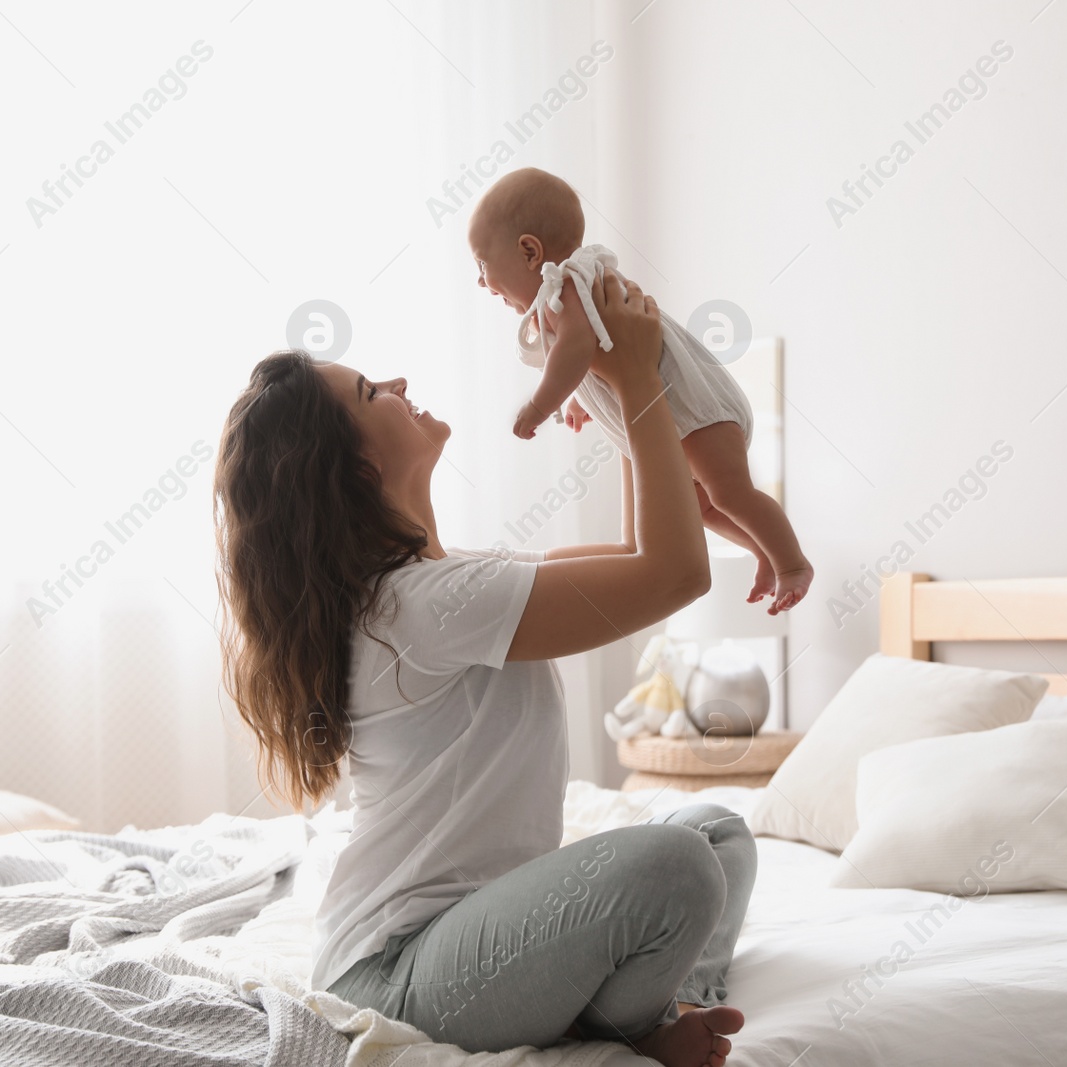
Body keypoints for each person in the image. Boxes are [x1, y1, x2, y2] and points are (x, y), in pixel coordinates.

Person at [214, 272, 753, 1067]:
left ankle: (638, 1008)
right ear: (359, 471)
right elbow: (677, 573)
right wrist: (636, 376)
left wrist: (615, 396)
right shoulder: (425, 605)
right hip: (400, 970)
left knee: (714, 833)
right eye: (371, 392)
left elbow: (646, 561)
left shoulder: (440, 587)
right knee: (676, 866)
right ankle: (641, 1020)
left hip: (469, 946)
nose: (396, 383)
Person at [468, 166, 813, 613]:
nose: (480, 281)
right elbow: (595, 350)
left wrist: (541, 405)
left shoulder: (571, 283)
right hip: (675, 425)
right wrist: (583, 396)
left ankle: (792, 563)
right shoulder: (568, 295)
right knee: (705, 511)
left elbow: (576, 346)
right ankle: (763, 551)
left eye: (482, 264)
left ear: (530, 251)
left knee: (729, 494)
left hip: (697, 413)